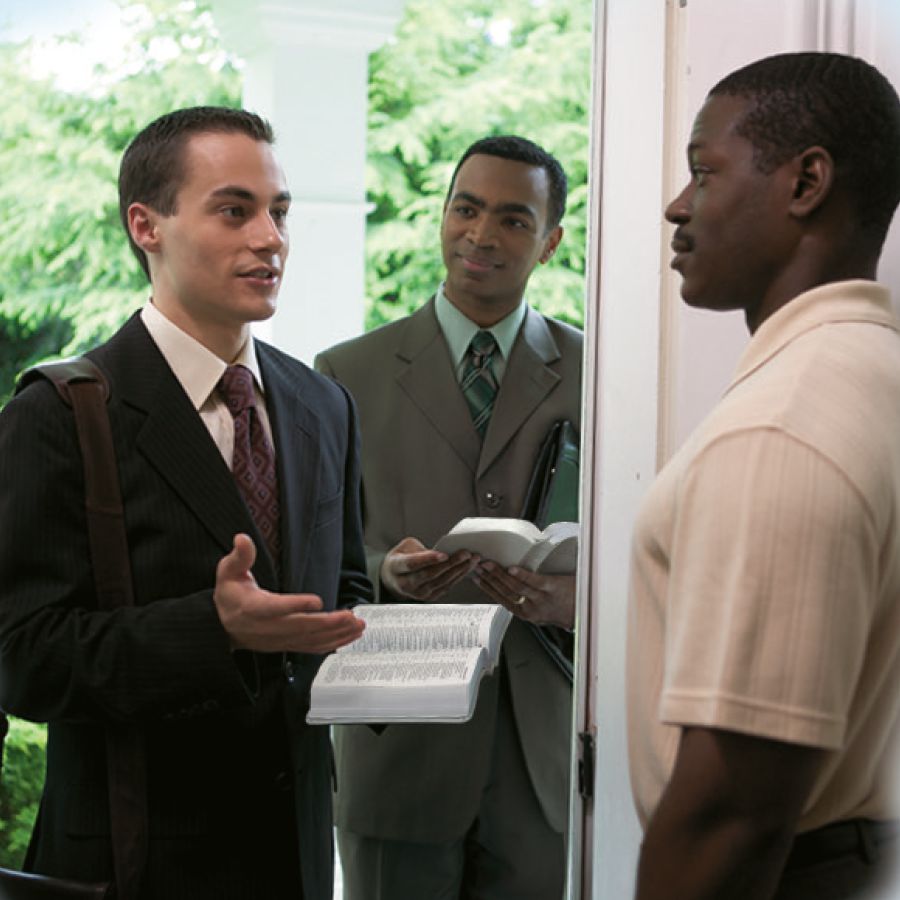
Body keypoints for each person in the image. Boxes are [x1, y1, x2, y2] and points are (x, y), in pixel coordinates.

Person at [0, 106, 371, 900]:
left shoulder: (323, 404)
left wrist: (397, 640)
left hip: (297, 857)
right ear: (147, 226)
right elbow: (22, 658)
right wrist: (214, 629)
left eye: (280, 212)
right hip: (138, 864)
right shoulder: (61, 411)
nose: (270, 238)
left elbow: (344, 590)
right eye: (235, 210)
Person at [627, 52, 900, 900]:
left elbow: (732, 819)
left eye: (704, 172)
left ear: (805, 182)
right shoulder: (872, 372)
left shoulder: (783, 428)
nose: (677, 206)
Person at [315, 135, 582, 899]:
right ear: (441, 215)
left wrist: (577, 599)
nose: (481, 235)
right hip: (397, 744)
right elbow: (308, 553)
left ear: (551, 239)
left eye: (512, 219)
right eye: (466, 209)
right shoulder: (345, 373)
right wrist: (383, 572)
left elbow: (646, 555)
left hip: (541, 754)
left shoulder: (599, 374)